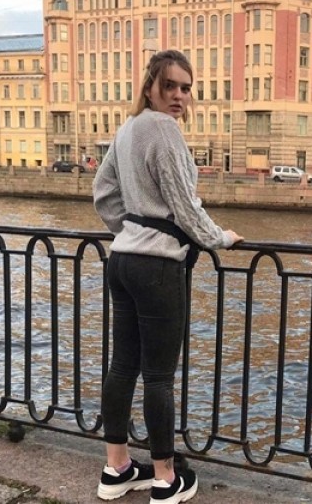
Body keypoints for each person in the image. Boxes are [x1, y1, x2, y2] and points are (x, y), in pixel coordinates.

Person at [93, 50, 243, 503]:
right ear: (150, 87)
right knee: (159, 376)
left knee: (123, 366)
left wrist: (131, 230)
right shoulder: (163, 129)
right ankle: (165, 479)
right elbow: (184, 205)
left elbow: (103, 193)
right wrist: (220, 238)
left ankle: (117, 468)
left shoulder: (127, 129)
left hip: (122, 260)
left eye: (186, 88)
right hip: (157, 266)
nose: (179, 95)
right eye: (170, 85)